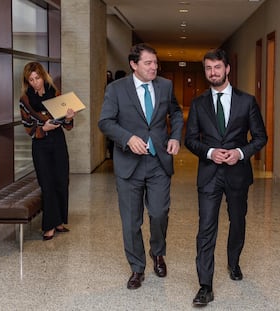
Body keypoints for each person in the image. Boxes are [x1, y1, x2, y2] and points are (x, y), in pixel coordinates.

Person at [184, 48, 267, 306]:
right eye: (208, 68)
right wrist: (209, 152)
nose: (213, 72)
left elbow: (261, 138)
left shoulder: (247, 101)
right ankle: (205, 285)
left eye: (217, 67)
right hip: (209, 175)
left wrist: (240, 153)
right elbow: (190, 140)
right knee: (206, 228)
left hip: (237, 174)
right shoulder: (198, 104)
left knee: (237, 222)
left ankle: (234, 262)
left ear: (227, 69)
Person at [98, 43, 183, 289]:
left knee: (158, 214)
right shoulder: (116, 90)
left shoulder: (165, 86)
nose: (154, 67)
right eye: (148, 63)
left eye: (155, 63)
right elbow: (105, 122)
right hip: (128, 164)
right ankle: (137, 267)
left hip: (158, 162)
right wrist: (127, 138)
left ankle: (158, 253)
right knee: (131, 221)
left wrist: (176, 136)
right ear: (134, 64)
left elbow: (176, 113)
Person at [19, 62, 75, 241]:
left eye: (38, 78)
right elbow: (28, 127)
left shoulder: (55, 94)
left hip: (58, 142)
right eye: (31, 80)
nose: (36, 82)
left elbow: (67, 125)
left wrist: (68, 118)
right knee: (47, 184)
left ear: (43, 76)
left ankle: (59, 222)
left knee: (61, 181)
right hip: (40, 145)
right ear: (27, 81)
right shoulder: (25, 100)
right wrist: (44, 127)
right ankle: (49, 226)